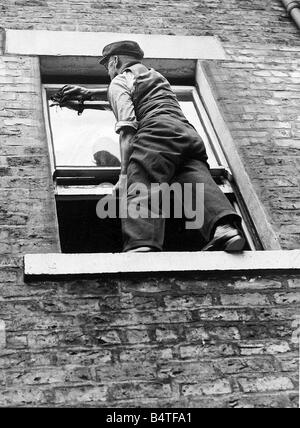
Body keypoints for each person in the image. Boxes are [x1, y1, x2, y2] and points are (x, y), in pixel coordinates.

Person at [59, 40, 245, 253]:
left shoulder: (119, 81)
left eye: (106, 65)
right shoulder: (157, 76)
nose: (107, 71)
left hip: (155, 133)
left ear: (115, 61)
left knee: (141, 182)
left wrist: (123, 176)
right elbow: (132, 90)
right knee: (194, 180)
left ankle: (142, 245)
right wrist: (90, 93)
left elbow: (127, 128)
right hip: (186, 133)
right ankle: (224, 229)